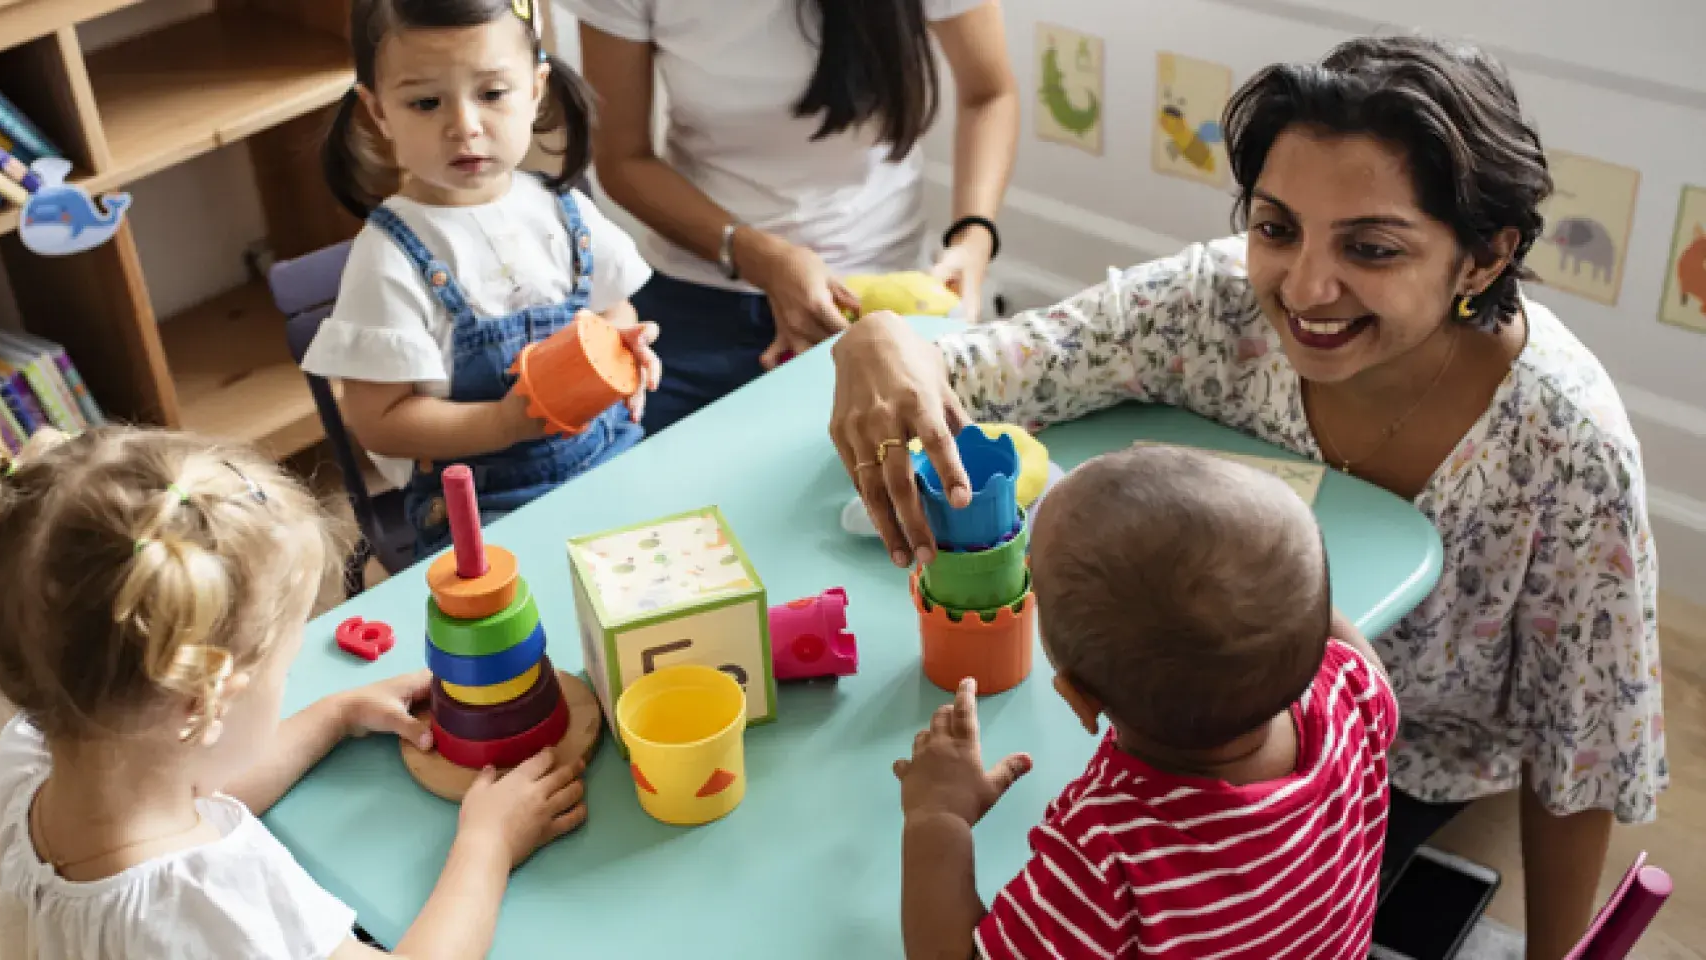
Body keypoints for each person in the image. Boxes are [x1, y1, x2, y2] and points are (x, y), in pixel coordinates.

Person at [832, 36, 1663, 960]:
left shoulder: (1566, 445)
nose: (1305, 288)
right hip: (1192, 717)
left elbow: (1582, 747)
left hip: (1406, 767)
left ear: (1483, 256)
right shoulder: (1211, 306)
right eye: (1275, 227)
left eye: (1372, 246)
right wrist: (883, 341)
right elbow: (992, 369)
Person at [0, 419, 587, 959]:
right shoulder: (213, 907)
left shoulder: (35, 764)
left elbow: (192, 791)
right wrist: (486, 846)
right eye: (284, 667)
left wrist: (335, 714)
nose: (290, 682)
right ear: (203, 703)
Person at [896, 446, 1398, 958]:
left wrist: (938, 818)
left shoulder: (1108, 857)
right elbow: (1338, 643)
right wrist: (1271, 588)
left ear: (1081, 699)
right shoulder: (1352, 694)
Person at [307, 0, 663, 557]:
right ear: (378, 113)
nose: (464, 127)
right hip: (486, 509)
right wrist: (503, 424)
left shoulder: (560, 208)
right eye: (425, 103)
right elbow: (379, 421)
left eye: (492, 94)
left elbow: (615, 309)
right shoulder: (389, 258)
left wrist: (622, 348)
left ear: (536, 87)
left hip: (610, 452)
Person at [562, 0, 1018, 433]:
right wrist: (758, 255)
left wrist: (973, 241)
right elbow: (623, 159)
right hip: (699, 293)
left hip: (879, 294)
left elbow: (989, 94)